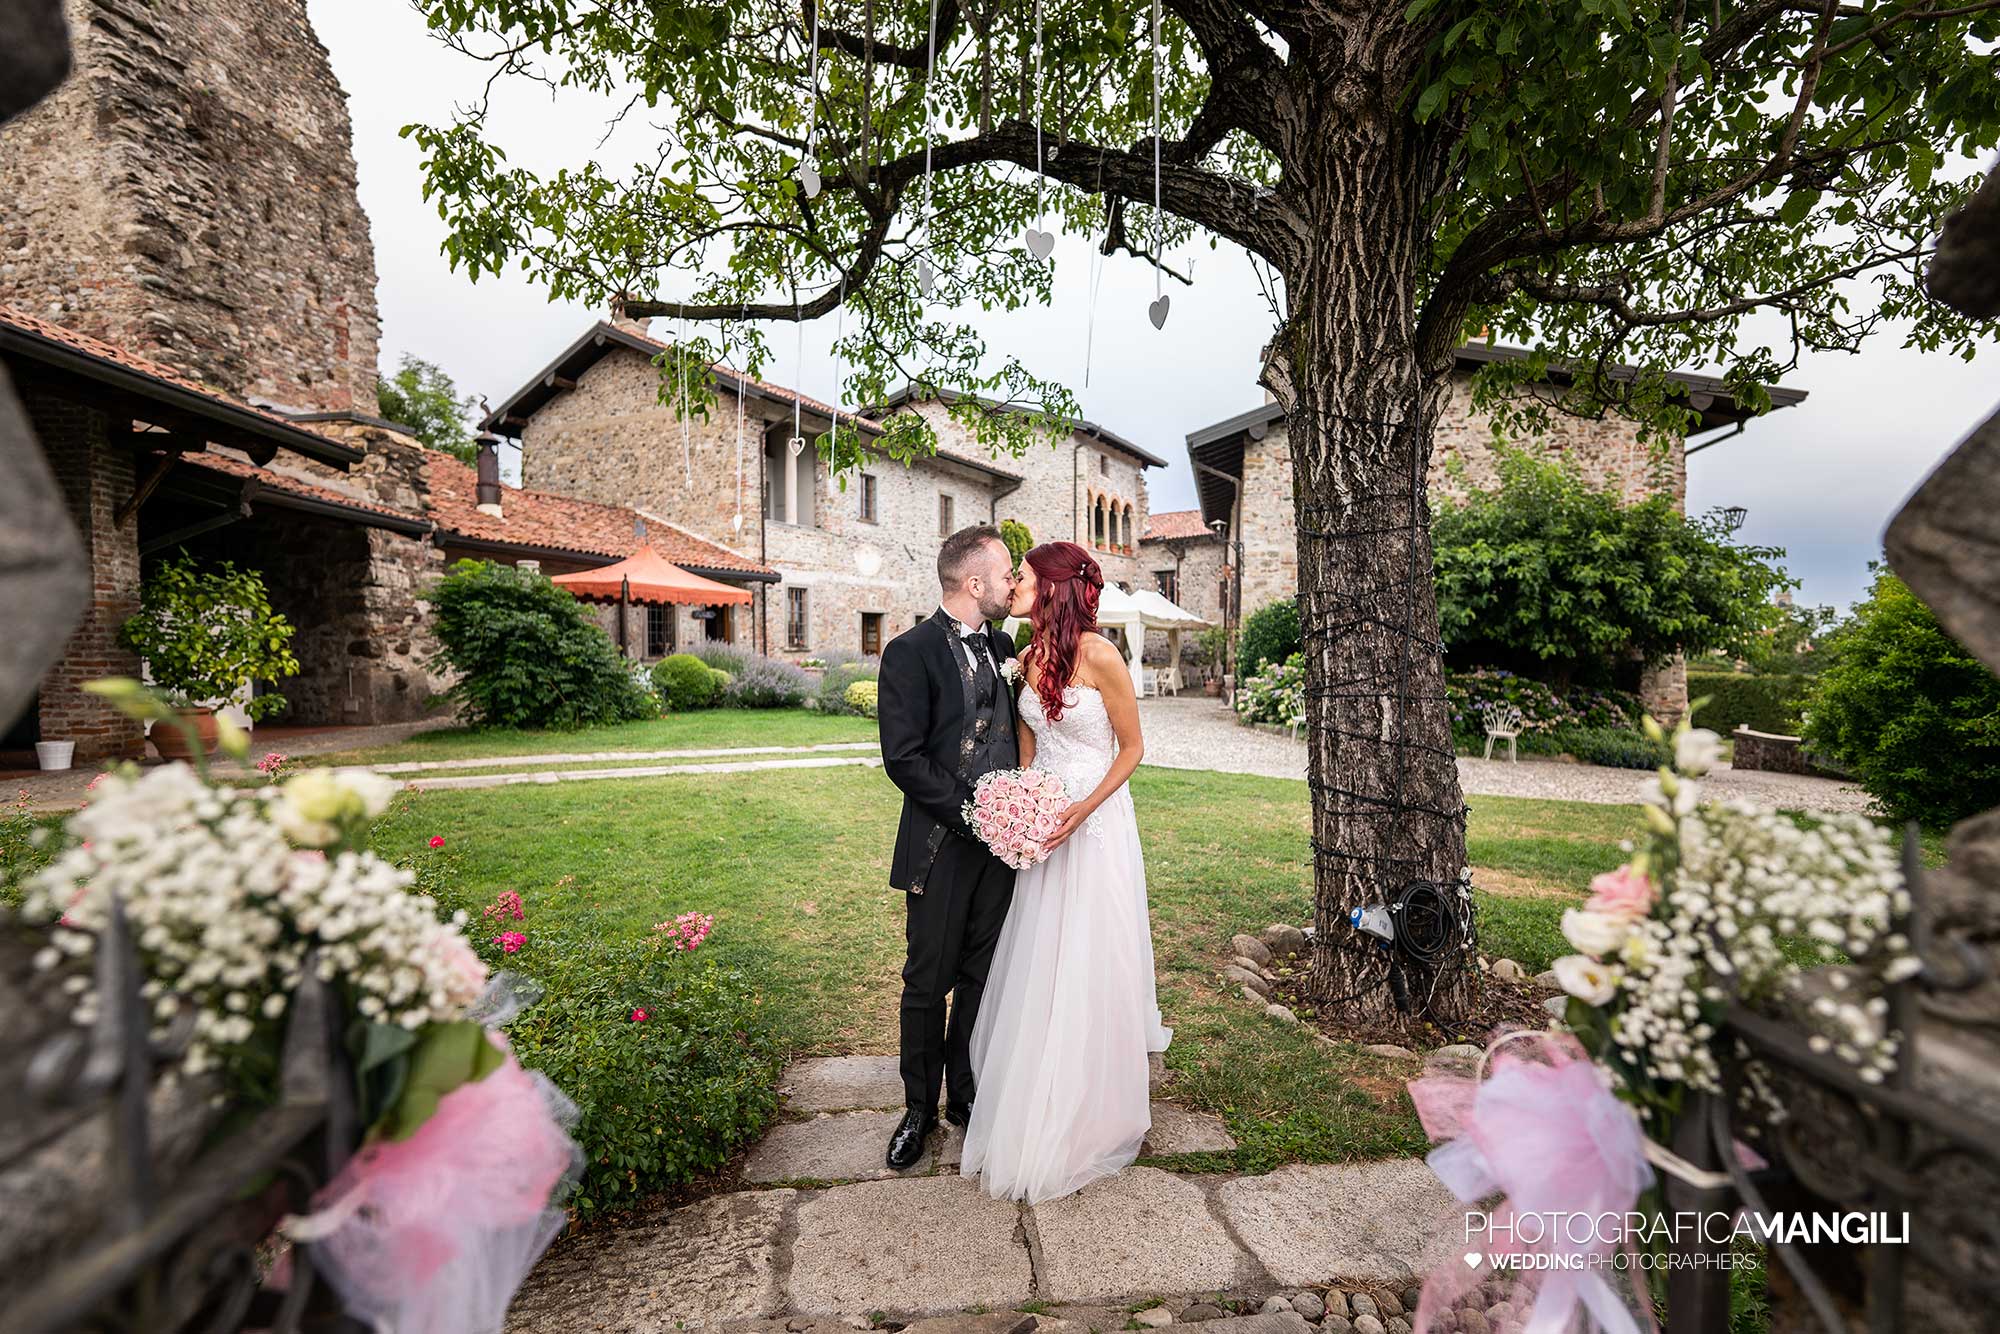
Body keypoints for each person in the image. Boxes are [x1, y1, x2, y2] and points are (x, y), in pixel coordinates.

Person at [960, 540, 1172, 1203]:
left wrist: (1081, 811)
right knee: (1040, 955)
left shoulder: (1102, 655)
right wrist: (1018, 807)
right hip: (1046, 822)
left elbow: (1133, 748)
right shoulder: (1025, 658)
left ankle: (1092, 1106)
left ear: (1053, 588)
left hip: (1096, 821)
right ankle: (1036, 1081)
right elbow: (1029, 747)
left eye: (1022, 577)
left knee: (1090, 953)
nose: (1012, 584)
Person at [875, 524, 1022, 1170]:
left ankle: (965, 1098)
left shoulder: (1006, 646)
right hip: (942, 844)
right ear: (973, 583)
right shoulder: (909, 653)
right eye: (1007, 573)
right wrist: (976, 813)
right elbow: (903, 759)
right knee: (926, 981)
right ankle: (917, 1110)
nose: (1013, 583)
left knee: (982, 976)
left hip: (1003, 852)